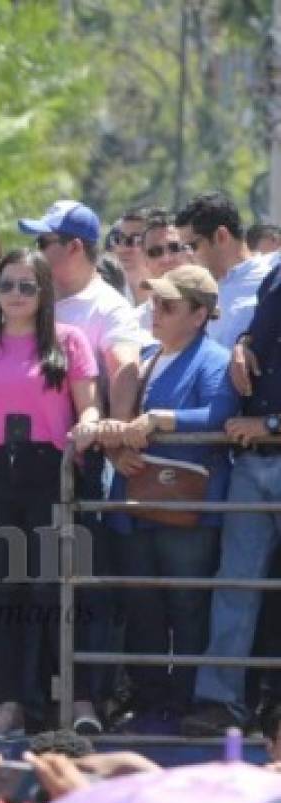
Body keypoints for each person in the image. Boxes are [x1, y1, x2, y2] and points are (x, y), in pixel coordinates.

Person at [0, 249, 100, 738]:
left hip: (49, 473)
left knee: (52, 590)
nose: (16, 295)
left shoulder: (69, 341)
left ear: (44, 293)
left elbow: (89, 412)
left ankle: (67, 699)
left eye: (27, 287)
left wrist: (89, 431)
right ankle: (9, 702)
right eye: (8, 285)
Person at [18, 198, 146, 733]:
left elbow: (126, 364)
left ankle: (86, 698)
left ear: (73, 248)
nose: (36, 252)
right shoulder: (28, 298)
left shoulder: (106, 306)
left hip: (80, 468)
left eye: (45, 242)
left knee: (82, 587)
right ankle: (36, 698)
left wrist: (113, 430)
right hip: (23, 465)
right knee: (27, 585)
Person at [98, 266, 237, 734]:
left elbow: (220, 414)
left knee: (187, 606)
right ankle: (150, 700)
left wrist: (160, 419)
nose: (156, 312)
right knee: (142, 607)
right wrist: (118, 450)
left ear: (200, 314)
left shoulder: (214, 358)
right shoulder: (149, 357)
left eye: (169, 305)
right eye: (155, 303)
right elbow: (123, 425)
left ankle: (187, 703)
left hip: (188, 508)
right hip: (138, 503)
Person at [182, 262, 281, 735]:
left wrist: (272, 425)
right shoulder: (276, 273)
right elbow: (259, 338)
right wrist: (242, 344)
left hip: (263, 440)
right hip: (254, 457)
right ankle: (221, 701)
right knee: (235, 585)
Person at [177, 191, 276, 350]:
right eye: (183, 248)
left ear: (221, 236)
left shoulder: (271, 281)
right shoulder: (196, 291)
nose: (187, 255)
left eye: (192, 246)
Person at [111, 206, 153, 306]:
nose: (123, 249)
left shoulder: (171, 293)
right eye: (118, 239)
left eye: (134, 240)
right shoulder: (107, 291)